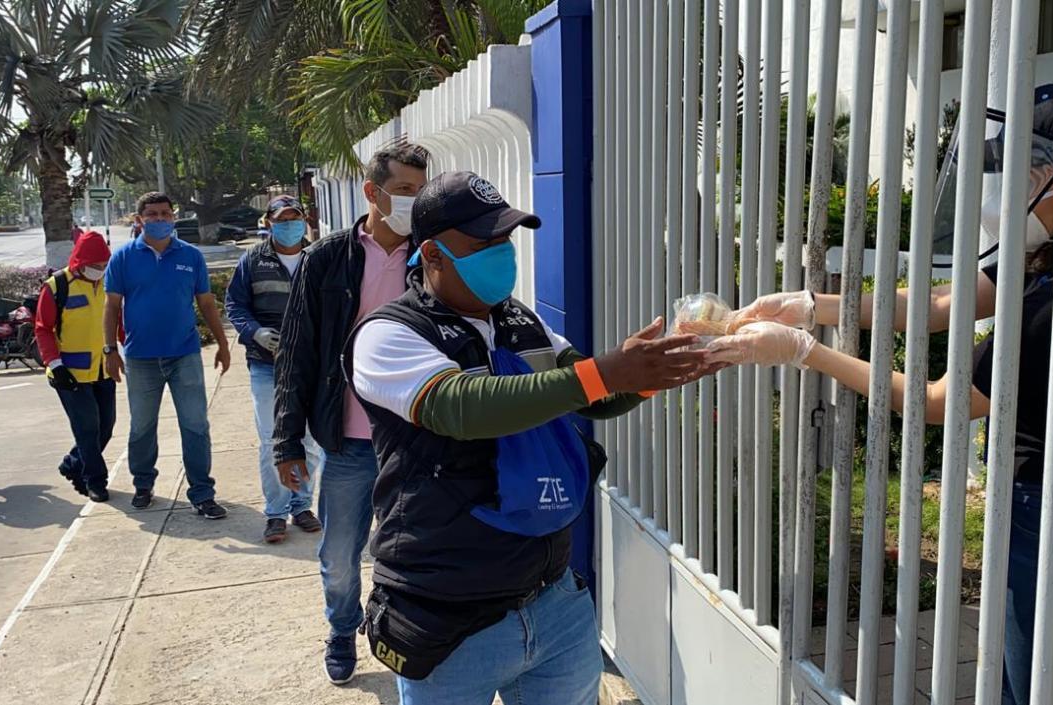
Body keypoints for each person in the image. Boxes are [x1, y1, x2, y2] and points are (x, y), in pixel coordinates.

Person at [713, 84, 1053, 705]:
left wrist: (804, 353)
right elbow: (939, 305)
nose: (1012, 182)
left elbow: (939, 402)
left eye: (1035, 164)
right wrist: (808, 305)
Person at [347, 171, 712, 704]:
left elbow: (594, 396)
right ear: (432, 255)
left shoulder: (522, 322)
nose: (500, 253)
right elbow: (462, 407)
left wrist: (658, 371)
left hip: (553, 605)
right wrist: (606, 373)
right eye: (483, 243)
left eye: (504, 239)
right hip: (446, 615)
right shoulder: (388, 334)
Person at [272, 143, 428, 684]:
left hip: (415, 438)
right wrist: (287, 441)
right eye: (404, 190)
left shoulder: (431, 255)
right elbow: (297, 351)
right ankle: (342, 630)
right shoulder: (326, 259)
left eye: (420, 191)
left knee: (412, 552)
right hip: (349, 442)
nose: (414, 201)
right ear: (372, 192)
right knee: (340, 556)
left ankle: (404, 635)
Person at [103, 192, 231, 518]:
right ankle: (143, 485)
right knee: (142, 427)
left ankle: (202, 493)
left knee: (195, 425)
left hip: (184, 354)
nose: (160, 219)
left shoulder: (191, 255)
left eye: (165, 213)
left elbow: (206, 303)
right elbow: (112, 307)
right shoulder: (123, 258)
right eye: (152, 214)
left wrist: (223, 343)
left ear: (173, 217)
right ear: (139, 220)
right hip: (140, 358)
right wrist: (110, 350)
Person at [225, 196, 324, 543]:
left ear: (304, 220)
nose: (289, 224)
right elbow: (234, 305)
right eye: (282, 219)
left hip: (310, 365)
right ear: (268, 223)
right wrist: (255, 332)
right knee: (272, 440)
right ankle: (276, 513)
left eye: (294, 217)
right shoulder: (253, 260)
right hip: (267, 365)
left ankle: (302, 506)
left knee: (310, 441)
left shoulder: (318, 257)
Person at [34, 231, 115, 503]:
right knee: (87, 429)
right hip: (69, 373)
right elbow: (42, 329)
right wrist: (55, 364)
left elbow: (118, 320)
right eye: (96, 265)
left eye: (104, 265)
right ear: (80, 262)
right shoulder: (57, 286)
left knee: (106, 427)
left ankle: (72, 463)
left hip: (103, 368)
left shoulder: (108, 283)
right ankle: (95, 481)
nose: (100, 270)